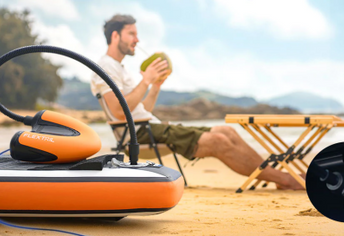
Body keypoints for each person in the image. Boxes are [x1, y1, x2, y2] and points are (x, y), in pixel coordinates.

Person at [90, 14, 303, 190]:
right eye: (132, 34)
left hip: (148, 126)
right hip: (137, 133)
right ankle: (284, 180)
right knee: (218, 141)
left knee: (225, 131)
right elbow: (119, 112)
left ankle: (277, 176)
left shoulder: (119, 68)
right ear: (116, 36)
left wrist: (155, 86)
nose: (137, 39)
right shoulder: (105, 67)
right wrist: (145, 80)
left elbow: (142, 109)